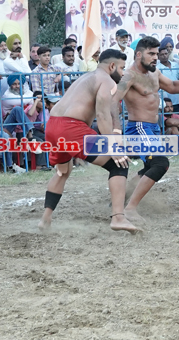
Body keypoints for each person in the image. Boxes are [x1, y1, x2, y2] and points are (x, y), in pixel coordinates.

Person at [38, 48, 134, 233]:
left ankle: (45, 219)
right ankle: (118, 218)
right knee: (118, 164)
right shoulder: (106, 81)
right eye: (122, 68)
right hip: (71, 127)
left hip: (53, 125)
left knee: (62, 172)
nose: (123, 74)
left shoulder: (85, 77)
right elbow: (102, 115)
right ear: (112, 66)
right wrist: (113, 147)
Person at [116, 36, 179, 223]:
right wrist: (114, 128)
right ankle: (130, 209)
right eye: (151, 54)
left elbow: (173, 86)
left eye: (156, 53)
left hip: (153, 128)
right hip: (139, 127)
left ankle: (118, 201)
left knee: (150, 166)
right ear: (138, 54)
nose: (155, 57)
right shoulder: (129, 76)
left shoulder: (154, 72)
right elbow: (113, 100)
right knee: (160, 163)